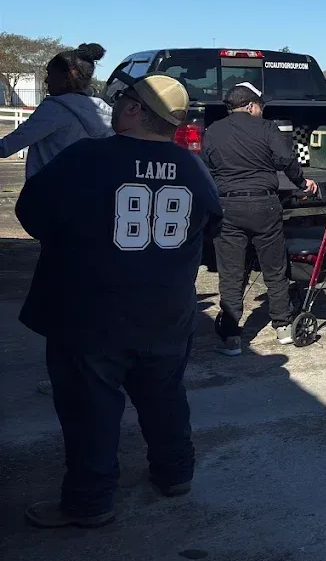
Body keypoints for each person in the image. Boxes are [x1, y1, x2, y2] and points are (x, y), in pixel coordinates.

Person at [16, 74, 222, 527]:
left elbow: (31, 214)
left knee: (90, 409)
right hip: (167, 312)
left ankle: (89, 502)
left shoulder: (87, 157)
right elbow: (212, 226)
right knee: (165, 397)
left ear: (133, 110)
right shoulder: (193, 167)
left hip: (91, 315)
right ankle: (174, 474)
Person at [203, 83, 319, 353]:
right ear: (252, 106)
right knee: (275, 268)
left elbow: (206, 168)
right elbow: (286, 159)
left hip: (227, 206)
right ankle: (282, 327)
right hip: (264, 204)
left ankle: (231, 337)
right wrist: (302, 183)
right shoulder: (266, 128)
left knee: (231, 274)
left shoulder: (213, 131)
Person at [1, 42, 112, 179]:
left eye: (50, 73)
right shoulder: (106, 112)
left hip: (48, 194)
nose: (47, 80)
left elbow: (7, 146)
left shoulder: (54, 109)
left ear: (68, 77)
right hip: (89, 195)